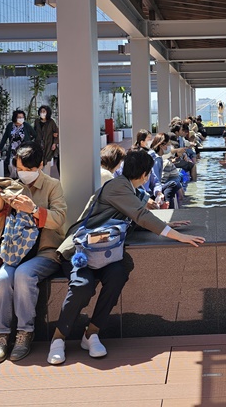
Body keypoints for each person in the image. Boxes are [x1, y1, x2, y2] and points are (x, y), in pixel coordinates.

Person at [46, 149, 205, 365]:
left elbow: (134, 219)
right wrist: (178, 236)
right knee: (83, 286)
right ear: (145, 175)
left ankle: (91, 334)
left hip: (106, 252)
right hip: (82, 250)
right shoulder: (118, 187)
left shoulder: (131, 190)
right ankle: (58, 338)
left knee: (118, 275)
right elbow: (141, 215)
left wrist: (166, 225)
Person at [0, 141, 67, 363]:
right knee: (2, 280)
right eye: (20, 168)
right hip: (14, 253)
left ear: (41, 165)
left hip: (45, 252)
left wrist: (33, 209)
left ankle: (24, 333)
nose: (24, 173)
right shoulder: (12, 186)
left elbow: (60, 219)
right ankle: (2, 335)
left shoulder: (52, 186)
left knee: (23, 275)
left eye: (29, 169)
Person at [0, 109, 36, 177]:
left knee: (22, 165)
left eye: (22, 117)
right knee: (11, 165)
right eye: (19, 117)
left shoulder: (26, 125)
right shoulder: (10, 126)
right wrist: (0, 148)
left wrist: (29, 141)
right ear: (15, 117)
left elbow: (34, 134)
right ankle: (14, 178)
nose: (21, 119)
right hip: (13, 149)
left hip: (24, 150)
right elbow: (5, 137)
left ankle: (21, 179)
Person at [33, 105, 59, 175]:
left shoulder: (51, 122)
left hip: (48, 145)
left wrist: (54, 143)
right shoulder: (37, 121)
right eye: (41, 111)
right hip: (38, 145)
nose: (42, 113)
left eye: (44, 111)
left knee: (47, 162)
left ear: (47, 112)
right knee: (38, 163)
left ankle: (46, 178)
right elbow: (34, 132)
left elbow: (56, 133)